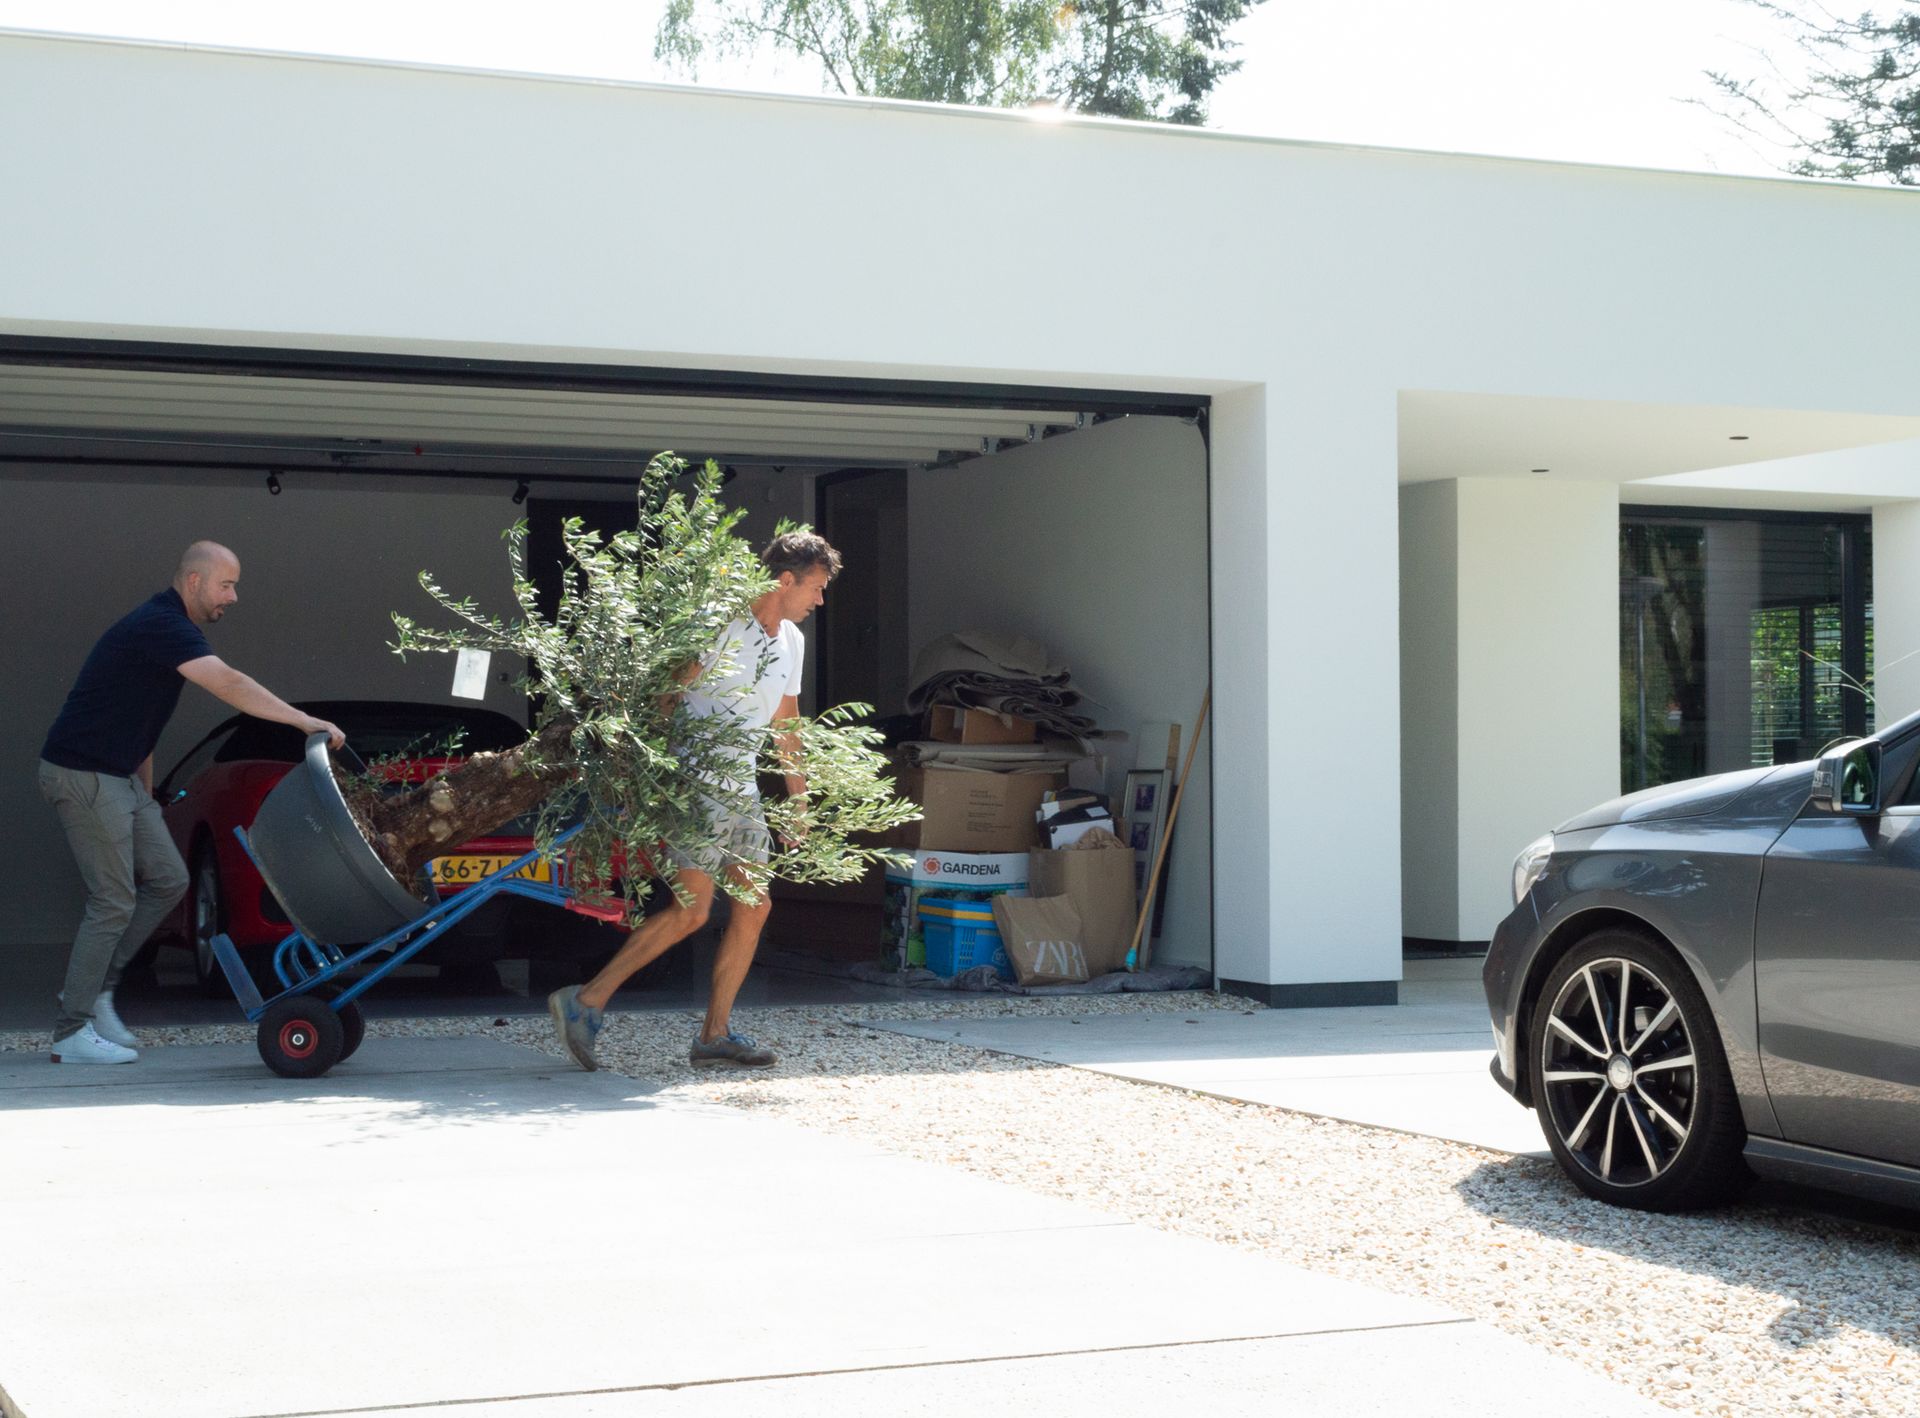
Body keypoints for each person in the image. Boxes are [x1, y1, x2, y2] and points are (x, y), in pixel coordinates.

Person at [38, 541, 345, 1064]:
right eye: (227, 584)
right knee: (113, 900)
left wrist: (147, 794)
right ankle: (72, 1029)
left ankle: (98, 993)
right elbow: (228, 682)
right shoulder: (161, 624)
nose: (235, 596)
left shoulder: (170, 633)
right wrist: (302, 720)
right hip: (83, 774)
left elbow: (142, 723)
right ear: (194, 582)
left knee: (169, 880)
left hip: (120, 779)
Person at [548, 530, 841, 1072]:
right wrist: (647, 780)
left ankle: (714, 1034)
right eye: (816, 588)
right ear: (785, 580)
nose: (819, 601)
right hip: (695, 785)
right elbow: (663, 700)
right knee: (692, 912)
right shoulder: (717, 623)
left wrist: (799, 799)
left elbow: (786, 723)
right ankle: (584, 1000)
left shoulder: (791, 642)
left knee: (755, 906)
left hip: (743, 791)